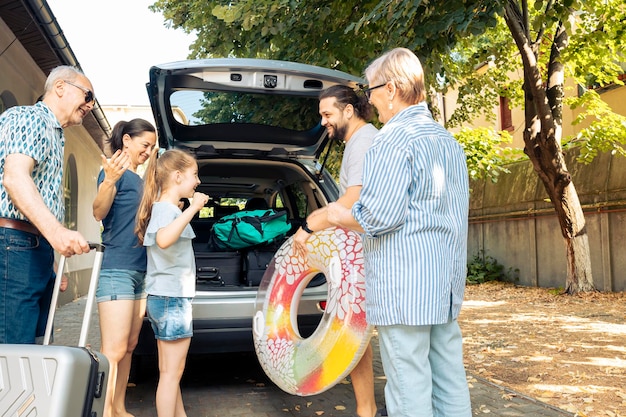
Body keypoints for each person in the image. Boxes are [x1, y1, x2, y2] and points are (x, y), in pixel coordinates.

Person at [327, 48, 472, 417]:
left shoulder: (391, 140)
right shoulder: (447, 142)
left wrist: (337, 215)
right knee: (449, 378)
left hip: (405, 287)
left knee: (409, 386)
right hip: (445, 282)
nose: (369, 100)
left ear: (390, 88)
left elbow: (378, 216)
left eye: (371, 90)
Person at [293, 85, 382, 417]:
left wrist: (308, 226)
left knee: (358, 334)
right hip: (361, 254)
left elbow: (352, 202)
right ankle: (366, 409)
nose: (323, 122)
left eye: (327, 114)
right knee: (356, 335)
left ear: (349, 110)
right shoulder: (359, 141)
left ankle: (368, 409)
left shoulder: (362, 142)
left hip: (370, 256)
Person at [0, 65, 94, 344]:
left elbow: (41, 199)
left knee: (39, 349)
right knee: (14, 351)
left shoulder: (55, 133)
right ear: (60, 87)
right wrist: (57, 234)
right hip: (13, 245)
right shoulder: (30, 118)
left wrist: (50, 260)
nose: (90, 105)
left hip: (33, 248)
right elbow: (15, 179)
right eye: (87, 95)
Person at [135, 149, 209, 417]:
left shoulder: (164, 209)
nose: (197, 181)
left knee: (170, 373)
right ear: (178, 176)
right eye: (194, 175)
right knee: (170, 375)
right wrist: (193, 209)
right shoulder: (167, 210)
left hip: (164, 298)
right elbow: (165, 240)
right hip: (171, 299)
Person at [92, 118, 157, 417]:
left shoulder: (140, 179)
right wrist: (107, 181)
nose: (147, 151)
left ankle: (118, 407)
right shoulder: (113, 173)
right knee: (114, 350)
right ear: (127, 140)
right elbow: (98, 212)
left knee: (130, 346)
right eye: (145, 145)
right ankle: (104, 411)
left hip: (140, 273)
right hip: (117, 269)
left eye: (152, 147)